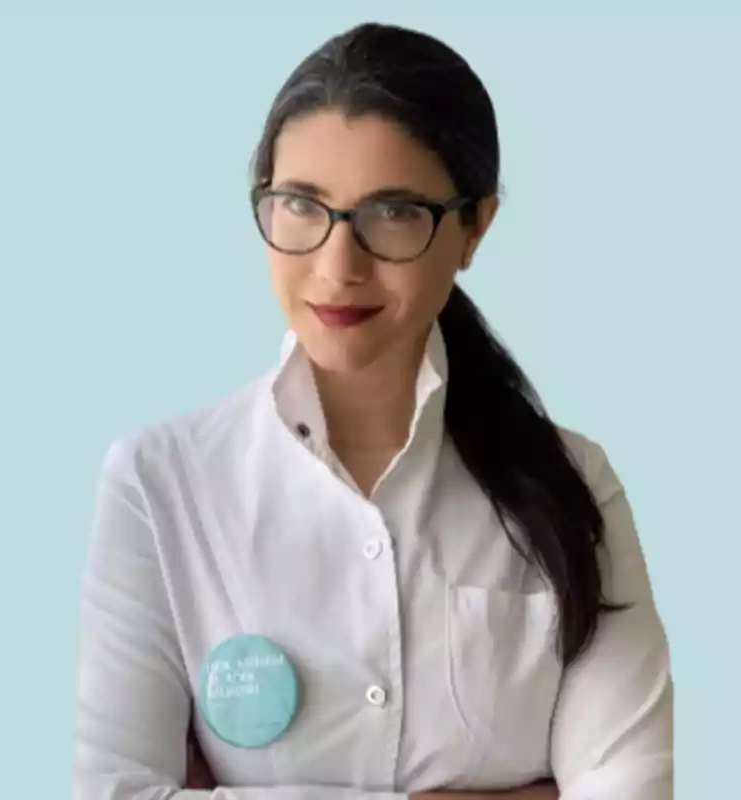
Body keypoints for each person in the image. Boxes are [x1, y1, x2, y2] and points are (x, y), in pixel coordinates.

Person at [72, 21, 673, 800]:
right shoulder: (158, 486)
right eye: (301, 205)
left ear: (473, 228)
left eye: (392, 213)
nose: (335, 266)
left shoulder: (574, 482)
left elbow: (631, 788)